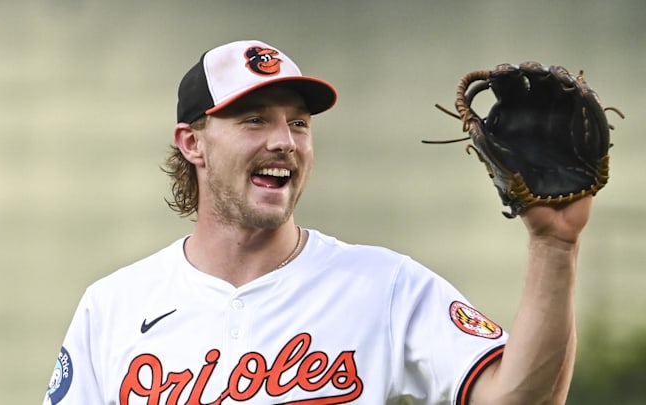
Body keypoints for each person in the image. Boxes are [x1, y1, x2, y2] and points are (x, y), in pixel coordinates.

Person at [43, 39, 592, 405]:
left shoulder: (385, 286)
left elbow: (516, 398)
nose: (284, 140)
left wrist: (554, 246)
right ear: (193, 143)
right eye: (254, 119)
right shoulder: (112, 306)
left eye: (299, 123)